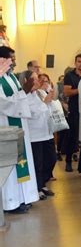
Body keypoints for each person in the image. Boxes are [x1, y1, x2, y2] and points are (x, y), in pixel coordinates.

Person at [0, 46, 39, 213]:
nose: (15, 63)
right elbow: (3, 104)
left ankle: (22, 198)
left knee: (22, 162)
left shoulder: (12, 78)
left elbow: (19, 100)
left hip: (18, 126)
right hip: (5, 126)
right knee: (9, 165)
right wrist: (24, 91)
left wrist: (28, 92)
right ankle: (10, 202)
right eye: (11, 60)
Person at [22, 71, 56, 201]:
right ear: (26, 81)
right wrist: (45, 103)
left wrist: (49, 100)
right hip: (35, 135)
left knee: (51, 160)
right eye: (35, 79)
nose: (38, 82)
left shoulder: (38, 93)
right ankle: (38, 187)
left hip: (46, 133)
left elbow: (49, 108)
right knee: (38, 163)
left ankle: (43, 182)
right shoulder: (24, 96)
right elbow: (31, 113)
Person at [63, 54, 81, 172]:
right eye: (79, 61)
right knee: (72, 136)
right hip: (74, 110)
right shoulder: (69, 76)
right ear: (75, 63)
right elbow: (67, 92)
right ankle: (68, 161)